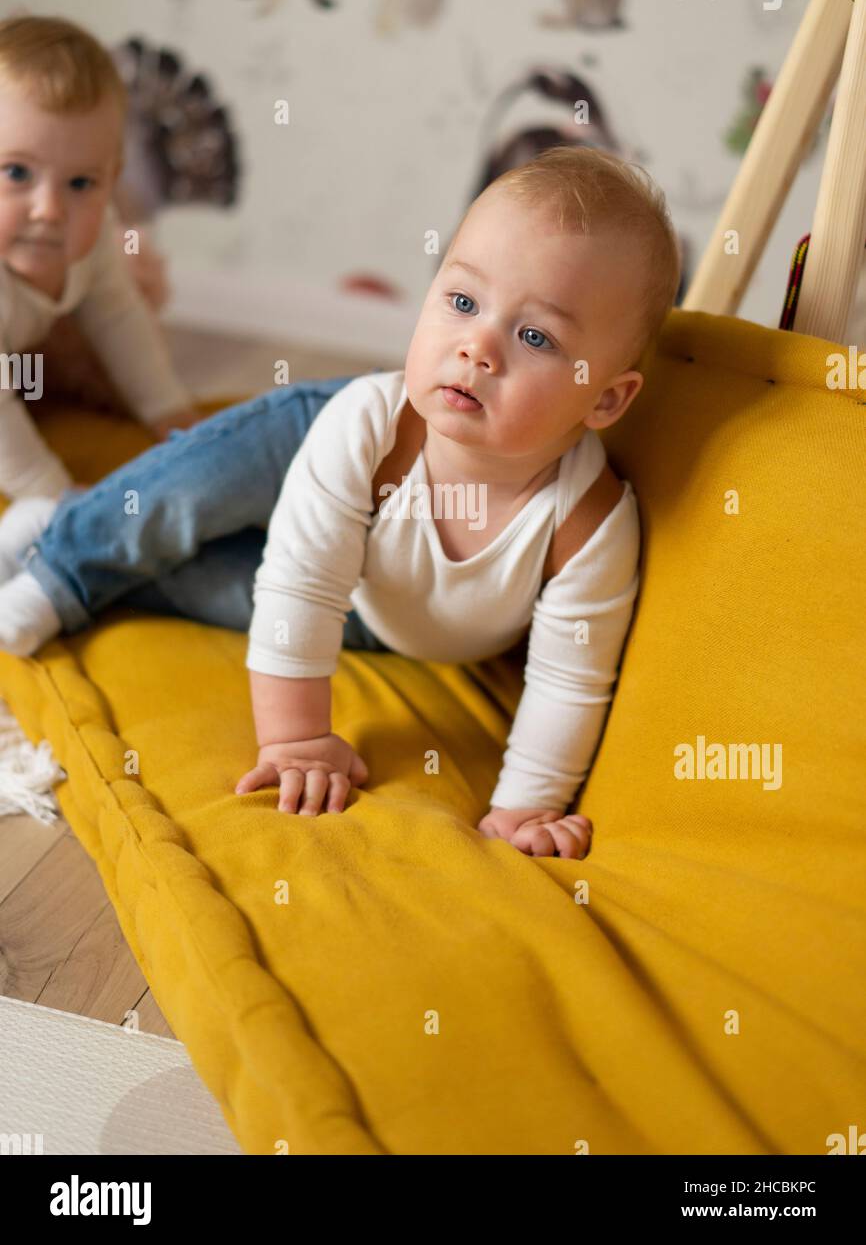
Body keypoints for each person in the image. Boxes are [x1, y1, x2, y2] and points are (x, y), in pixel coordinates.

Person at [0, 145, 681, 858]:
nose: (477, 347)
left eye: (536, 336)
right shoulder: (368, 428)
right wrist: (297, 741)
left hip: (375, 605)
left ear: (605, 397)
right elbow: (302, 582)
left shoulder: (588, 524)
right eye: (461, 302)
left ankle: (54, 524)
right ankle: (67, 564)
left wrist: (524, 807)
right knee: (186, 495)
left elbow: (569, 681)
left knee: (215, 586)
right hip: (318, 446)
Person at [0, 13, 198, 519]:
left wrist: (167, 409)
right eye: (17, 172)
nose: (49, 209)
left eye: (81, 184)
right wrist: (49, 492)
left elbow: (119, 319)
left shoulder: (94, 242)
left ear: (112, 181)